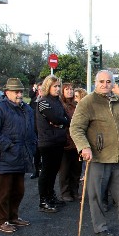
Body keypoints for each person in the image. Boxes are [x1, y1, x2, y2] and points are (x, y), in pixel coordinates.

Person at [70, 70, 119, 236]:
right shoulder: (87, 102)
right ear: (96, 83)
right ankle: (100, 227)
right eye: (101, 81)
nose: (105, 85)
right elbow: (76, 128)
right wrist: (84, 147)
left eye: (108, 82)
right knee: (96, 195)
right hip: (98, 158)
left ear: (113, 84)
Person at [0, 78, 36, 234]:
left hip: (22, 156)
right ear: (7, 92)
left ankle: (13, 216)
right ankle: (2, 220)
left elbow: (32, 131)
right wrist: (8, 145)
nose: (19, 94)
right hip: (6, 157)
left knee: (18, 191)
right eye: (16, 92)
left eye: (21, 91)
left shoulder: (27, 109)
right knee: (4, 192)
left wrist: (33, 145)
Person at [36, 75, 70, 212]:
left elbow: (66, 119)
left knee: (54, 171)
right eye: (55, 86)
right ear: (47, 87)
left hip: (59, 140)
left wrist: (61, 123)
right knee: (47, 172)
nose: (57, 89)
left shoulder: (58, 102)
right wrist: (61, 122)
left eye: (58, 86)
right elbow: (55, 118)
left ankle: (51, 196)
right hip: (47, 141)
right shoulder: (43, 102)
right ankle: (44, 200)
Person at [57, 82, 81, 202]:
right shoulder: (60, 105)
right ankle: (65, 192)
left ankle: (75, 190)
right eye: (67, 89)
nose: (70, 91)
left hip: (76, 142)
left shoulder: (76, 105)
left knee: (76, 169)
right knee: (65, 170)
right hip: (65, 141)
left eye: (71, 89)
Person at [29, 82, 43, 179]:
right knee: (36, 152)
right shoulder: (34, 101)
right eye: (39, 89)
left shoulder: (49, 101)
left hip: (46, 131)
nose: (41, 91)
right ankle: (36, 170)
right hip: (35, 129)